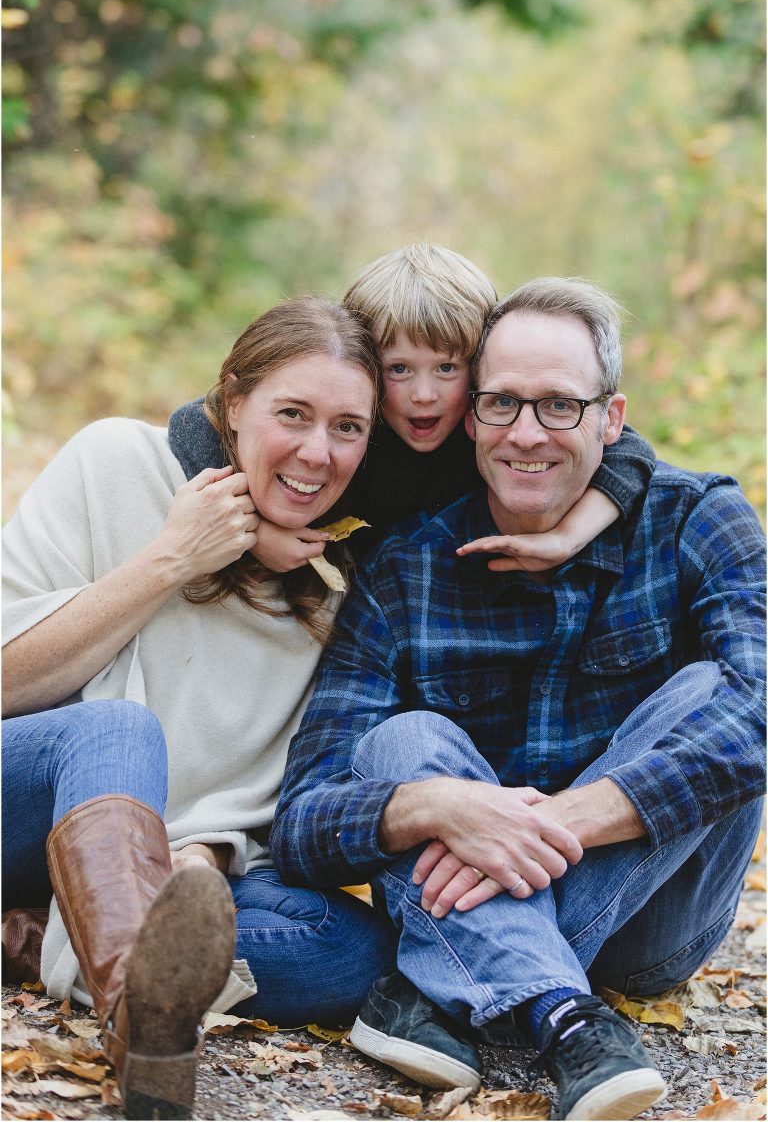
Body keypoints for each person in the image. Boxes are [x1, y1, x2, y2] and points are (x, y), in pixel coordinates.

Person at [270, 278, 766, 1121]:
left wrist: (563, 821)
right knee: (408, 745)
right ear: (469, 420)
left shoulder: (695, 520)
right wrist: (432, 805)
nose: (526, 434)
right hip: (466, 901)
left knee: (715, 690)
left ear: (612, 422)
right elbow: (302, 823)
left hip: (648, 931)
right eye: (501, 404)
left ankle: (451, 982)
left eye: (559, 407)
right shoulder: (405, 573)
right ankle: (560, 1014)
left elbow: (759, 711)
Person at [1, 296, 397, 1120]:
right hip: (23, 798)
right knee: (116, 729)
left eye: (348, 428)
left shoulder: (336, 597)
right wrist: (171, 558)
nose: (316, 452)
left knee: (354, 953)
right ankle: (141, 1019)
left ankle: (57, 940)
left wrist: (198, 861)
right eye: (292, 414)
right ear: (231, 403)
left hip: (145, 864)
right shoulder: (115, 462)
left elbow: (254, 803)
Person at [168, 243, 657, 574]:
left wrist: (569, 536)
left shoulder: (492, 431)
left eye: (447, 369)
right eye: (398, 370)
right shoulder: (345, 436)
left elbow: (629, 449)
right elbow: (195, 421)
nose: (424, 395)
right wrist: (259, 530)